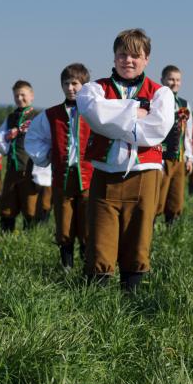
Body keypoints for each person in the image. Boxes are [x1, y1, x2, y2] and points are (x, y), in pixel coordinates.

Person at [77, 28, 173, 291]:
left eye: (135, 55)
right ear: (114, 56)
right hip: (105, 175)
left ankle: (132, 298)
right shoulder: (93, 89)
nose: (128, 60)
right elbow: (96, 115)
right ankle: (96, 300)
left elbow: (158, 129)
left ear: (146, 59)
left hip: (144, 175)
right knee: (99, 239)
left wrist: (116, 118)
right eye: (122, 55)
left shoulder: (161, 93)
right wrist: (136, 112)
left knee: (138, 237)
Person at [26, 63, 94, 269]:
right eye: (66, 84)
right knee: (64, 223)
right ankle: (66, 266)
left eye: (75, 83)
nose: (70, 88)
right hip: (62, 177)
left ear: (84, 84)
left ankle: (87, 265)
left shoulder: (94, 112)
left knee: (87, 223)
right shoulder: (51, 114)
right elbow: (33, 137)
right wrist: (46, 155)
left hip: (89, 177)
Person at [0, 80, 39, 231]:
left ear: (31, 96)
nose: (19, 98)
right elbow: (0, 138)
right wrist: (5, 144)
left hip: (29, 168)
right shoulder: (11, 117)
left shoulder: (38, 117)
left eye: (23, 95)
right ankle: (6, 235)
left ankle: (30, 238)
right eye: (16, 96)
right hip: (12, 167)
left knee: (30, 205)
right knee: (7, 203)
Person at [155, 65, 193, 224]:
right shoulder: (156, 102)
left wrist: (189, 157)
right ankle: (151, 230)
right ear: (162, 80)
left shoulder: (184, 104)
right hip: (162, 158)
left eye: (177, 80)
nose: (174, 83)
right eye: (171, 79)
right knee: (159, 196)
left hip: (179, 158)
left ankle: (172, 231)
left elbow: (188, 133)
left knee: (176, 197)